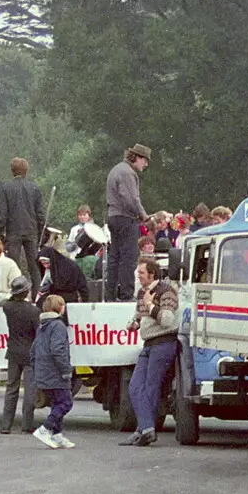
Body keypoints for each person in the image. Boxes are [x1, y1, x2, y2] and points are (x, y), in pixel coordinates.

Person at [122, 257, 180, 447]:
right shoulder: (142, 292)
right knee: (135, 386)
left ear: (152, 274)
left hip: (164, 342)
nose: (138, 277)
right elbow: (140, 316)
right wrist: (134, 324)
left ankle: (144, 430)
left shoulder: (167, 291)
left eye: (141, 273)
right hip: (148, 343)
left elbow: (168, 319)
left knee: (151, 387)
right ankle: (145, 429)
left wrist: (150, 305)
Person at [105, 144, 151, 301]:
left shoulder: (116, 169)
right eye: (145, 160)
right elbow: (131, 199)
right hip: (125, 218)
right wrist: (144, 216)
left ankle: (110, 294)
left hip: (113, 216)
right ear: (137, 157)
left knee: (115, 258)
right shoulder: (127, 173)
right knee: (128, 258)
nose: (146, 164)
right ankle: (126, 295)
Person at [31, 295, 75, 449]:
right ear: (60, 307)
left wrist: (37, 368)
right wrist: (66, 369)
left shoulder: (42, 325)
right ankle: (46, 428)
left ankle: (57, 434)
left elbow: (33, 350)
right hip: (55, 372)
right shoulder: (58, 326)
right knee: (65, 403)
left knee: (56, 403)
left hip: (43, 371)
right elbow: (57, 350)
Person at [0, 276, 39, 434]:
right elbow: (38, 333)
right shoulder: (33, 311)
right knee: (30, 390)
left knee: (11, 388)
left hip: (13, 351)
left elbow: (7, 300)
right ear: (27, 292)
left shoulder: (8, 307)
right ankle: (27, 424)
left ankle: (6, 424)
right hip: (29, 353)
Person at [0, 157, 45, 279]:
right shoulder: (34, 188)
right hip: (31, 231)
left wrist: (0, 235)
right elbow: (40, 214)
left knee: (13, 267)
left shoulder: (6, 188)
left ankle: (16, 294)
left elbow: (1, 214)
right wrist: (41, 234)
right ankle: (36, 295)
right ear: (26, 171)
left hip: (13, 232)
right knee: (34, 267)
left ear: (12, 170)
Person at [66, 204, 103, 277]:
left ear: (89, 215)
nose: (82, 217)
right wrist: (74, 245)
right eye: (80, 215)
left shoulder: (94, 228)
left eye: (84, 214)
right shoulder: (74, 229)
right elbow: (69, 247)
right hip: (75, 259)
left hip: (88, 261)